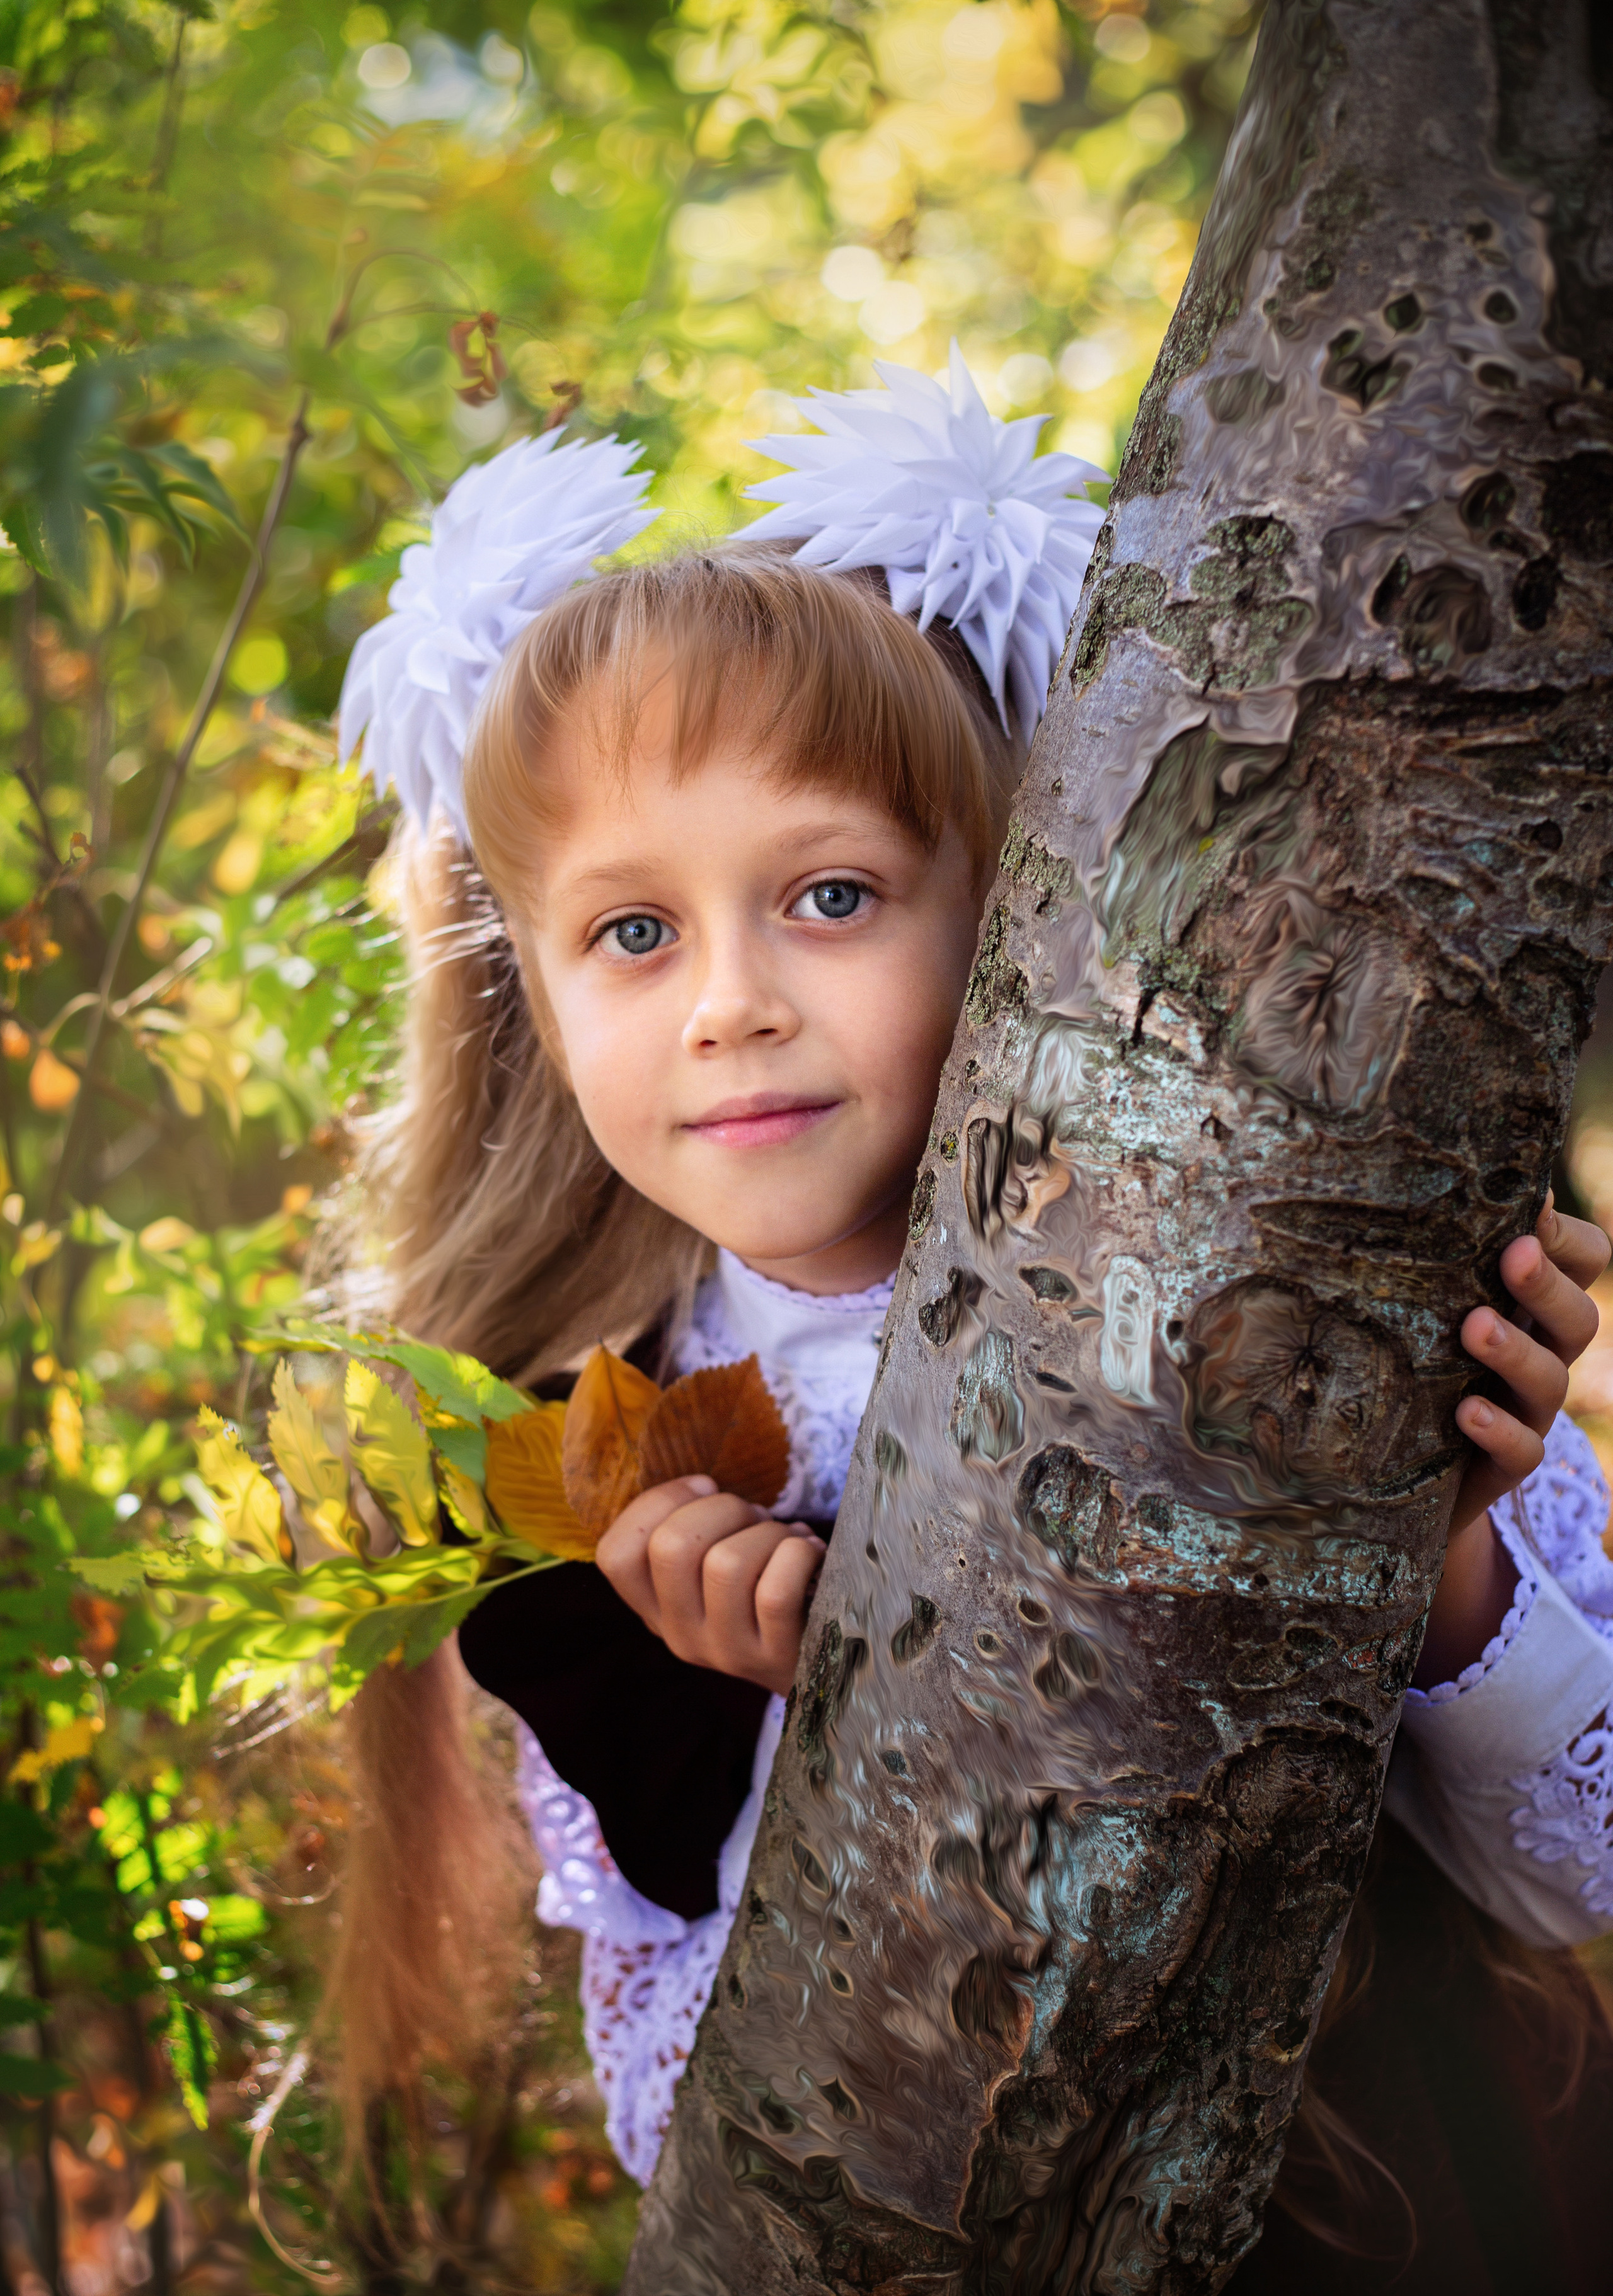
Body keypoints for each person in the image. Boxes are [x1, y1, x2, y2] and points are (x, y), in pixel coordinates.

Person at [331, 354, 1613, 2287]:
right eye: (633, 931)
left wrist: (1423, 1552)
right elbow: (690, 2137)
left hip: (1417, 2202)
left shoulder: (1262, 1269)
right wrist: (781, 1732)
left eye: (830, 894)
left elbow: (1567, 1872)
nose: (730, 1002)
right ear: (529, 981)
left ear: (1009, 907)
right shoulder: (597, 1454)